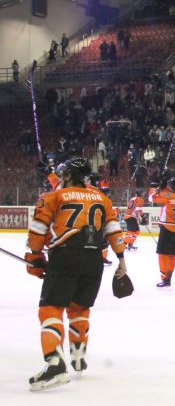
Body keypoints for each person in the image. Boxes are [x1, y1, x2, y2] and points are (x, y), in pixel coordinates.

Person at [24, 157, 127, 391]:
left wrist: (35, 256)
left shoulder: (54, 196)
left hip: (65, 256)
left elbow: (38, 229)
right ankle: (78, 354)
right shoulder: (101, 198)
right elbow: (113, 230)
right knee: (79, 309)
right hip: (94, 260)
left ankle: (54, 363)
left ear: (69, 175)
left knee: (50, 308)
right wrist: (121, 259)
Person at [149, 176, 175, 287]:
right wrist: (163, 189)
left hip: (168, 228)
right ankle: (169, 278)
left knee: (162, 254)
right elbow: (171, 195)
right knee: (172, 255)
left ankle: (165, 278)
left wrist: (155, 188)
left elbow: (151, 198)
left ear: (170, 186)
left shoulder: (168, 196)